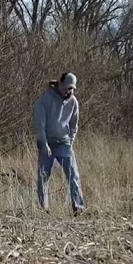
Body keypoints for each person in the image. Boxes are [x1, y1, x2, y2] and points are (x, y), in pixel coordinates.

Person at [32, 72, 85, 215]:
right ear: (60, 84)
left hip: (64, 143)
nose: (68, 91)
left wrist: (70, 141)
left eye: (71, 88)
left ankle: (78, 207)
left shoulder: (73, 102)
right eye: (66, 87)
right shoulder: (44, 100)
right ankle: (43, 209)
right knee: (43, 176)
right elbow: (40, 126)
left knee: (73, 174)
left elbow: (74, 125)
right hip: (47, 142)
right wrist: (44, 145)